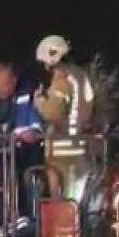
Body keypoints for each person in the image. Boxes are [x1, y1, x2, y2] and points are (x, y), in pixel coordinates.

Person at [32, 34, 99, 202]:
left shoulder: (62, 79)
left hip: (63, 154)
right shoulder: (81, 77)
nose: (45, 67)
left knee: (62, 208)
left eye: (44, 62)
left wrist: (40, 101)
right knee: (74, 207)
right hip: (80, 151)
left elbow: (52, 113)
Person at [0, 62, 44, 226]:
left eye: (5, 85)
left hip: (22, 157)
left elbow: (37, 127)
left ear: (14, 80)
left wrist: (29, 134)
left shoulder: (26, 97)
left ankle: (21, 218)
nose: (1, 90)